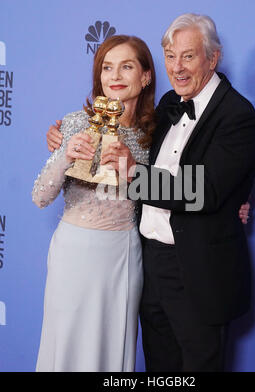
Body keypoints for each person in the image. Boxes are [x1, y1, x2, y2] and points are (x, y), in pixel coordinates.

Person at [45, 18, 253, 372]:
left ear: (213, 58)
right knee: (160, 367)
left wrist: (134, 174)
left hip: (198, 274)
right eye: (171, 56)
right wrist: (61, 137)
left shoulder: (237, 114)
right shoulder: (168, 106)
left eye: (188, 57)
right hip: (148, 267)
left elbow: (205, 189)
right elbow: (127, 132)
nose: (177, 67)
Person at [32, 35, 154, 372]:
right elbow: (41, 196)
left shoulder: (156, 134)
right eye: (107, 67)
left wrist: (233, 203)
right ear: (98, 77)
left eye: (126, 66)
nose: (115, 76)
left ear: (145, 76)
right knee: (67, 347)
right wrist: (64, 158)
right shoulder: (74, 123)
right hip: (74, 252)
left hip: (124, 256)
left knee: (112, 347)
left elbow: (174, 189)